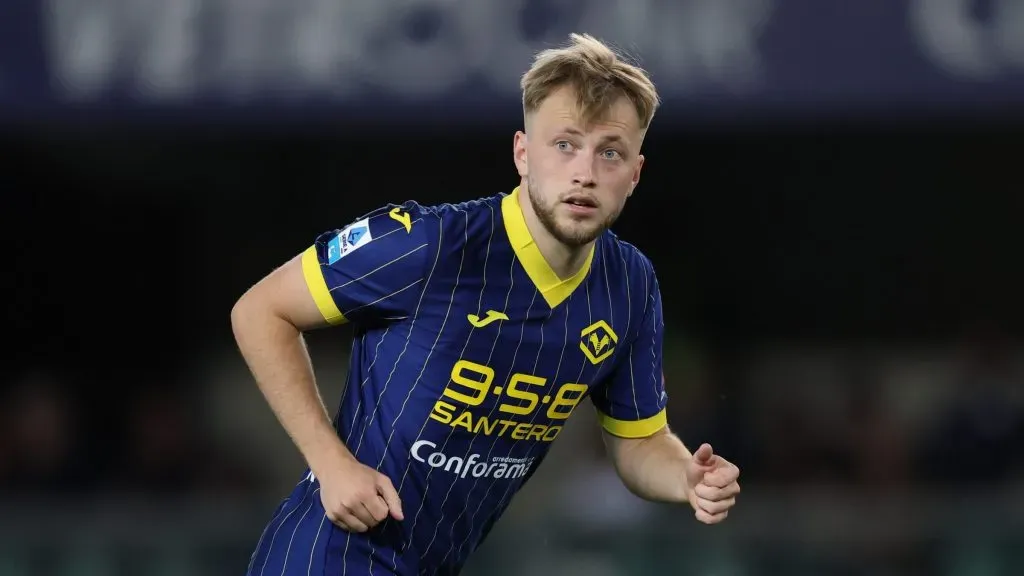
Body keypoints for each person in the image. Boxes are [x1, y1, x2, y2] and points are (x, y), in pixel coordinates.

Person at [232, 32, 741, 576]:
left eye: (609, 152)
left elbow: (639, 444)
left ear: (635, 173)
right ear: (522, 153)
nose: (585, 173)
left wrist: (686, 476)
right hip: (330, 557)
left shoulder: (629, 285)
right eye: (565, 144)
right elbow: (260, 310)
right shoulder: (432, 246)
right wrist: (329, 462)